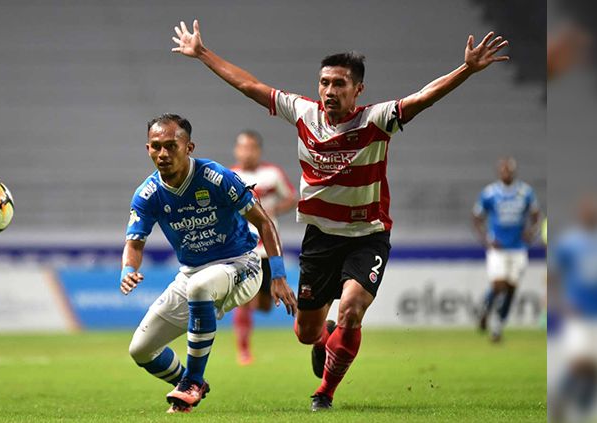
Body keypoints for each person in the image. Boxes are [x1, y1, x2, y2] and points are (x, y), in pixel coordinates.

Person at [170, 19, 510, 410]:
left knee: (352, 309)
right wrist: (202, 53)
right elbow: (251, 86)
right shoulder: (302, 112)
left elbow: (423, 97)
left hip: (368, 235)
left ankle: (325, 393)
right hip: (321, 236)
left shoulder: (376, 119)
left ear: (358, 89)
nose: (329, 91)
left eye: (339, 84)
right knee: (305, 332)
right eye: (325, 83)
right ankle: (324, 336)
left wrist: (466, 68)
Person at [122, 114, 297, 414]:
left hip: (242, 265)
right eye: (155, 147)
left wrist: (278, 275)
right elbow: (134, 243)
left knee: (202, 287)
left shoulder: (216, 177)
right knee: (140, 350)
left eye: (170, 146)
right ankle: (192, 386)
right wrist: (128, 269)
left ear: (189, 147)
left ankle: (192, 380)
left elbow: (264, 223)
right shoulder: (147, 194)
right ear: (147, 148)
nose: (162, 154)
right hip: (191, 274)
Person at [230, 129, 297, 365]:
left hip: (269, 247)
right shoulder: (231, 176)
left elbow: (291, 196)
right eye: (243, 147)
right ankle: (244, 350)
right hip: (243, 248)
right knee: (246, 301)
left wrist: (275, 210)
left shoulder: (272, 173)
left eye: (251, 147)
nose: (247, 152)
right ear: (236, 150)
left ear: (258, 150)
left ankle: (259, 304)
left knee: (266, 304)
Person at [549, 194, 597, 422]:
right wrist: (559, 302)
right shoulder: (569, 242)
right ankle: (561, 397)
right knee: (579, 361)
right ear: (581, 214)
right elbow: (553, 273)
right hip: (578, 314)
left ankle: (580, 409)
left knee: (596, 366)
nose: (591, 214)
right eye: (587, 210)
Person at [473, 157, 540, 342]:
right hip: (498, 248)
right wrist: (486, 238)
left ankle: (497, 328)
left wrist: (532, 232)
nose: (506, 173)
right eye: (503, 170)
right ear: (498, 172)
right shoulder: (490, 193)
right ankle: (485, 310)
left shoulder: (525, 192)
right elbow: (477, 217)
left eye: (509, 170)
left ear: (514, 172)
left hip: (518, 248)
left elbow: (536, 215)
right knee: (499, 284)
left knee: (511, 290)